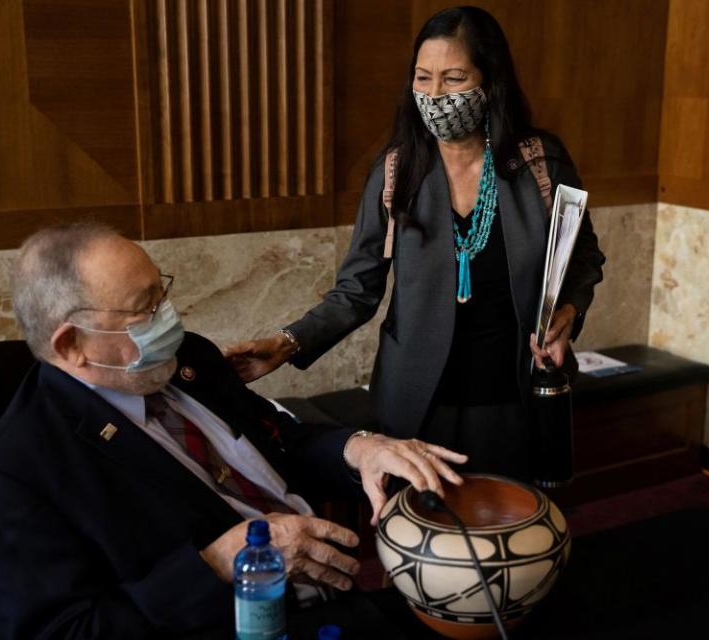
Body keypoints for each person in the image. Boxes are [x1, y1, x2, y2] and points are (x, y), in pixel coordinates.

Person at [0, 223, 466, 639]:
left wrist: (360, 448)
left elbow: (282, 443)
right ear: (71, 344)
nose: (171, 317)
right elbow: (68, 633)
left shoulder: (189, 360)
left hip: (337, 591)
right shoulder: (12, 477)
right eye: (145, 307)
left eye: (163, 292)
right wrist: (220, 564)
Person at [225, 6, 605, 481]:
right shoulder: (395, 171)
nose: (434, 94)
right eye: (423, 78)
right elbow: (356, 292)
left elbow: (583, 254)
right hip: (417, 405)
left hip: (513, 397)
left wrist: (569, 310)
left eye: (453, 77)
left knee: (502, 538)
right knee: (421, 540)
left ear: (490, 79)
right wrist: (286, 344)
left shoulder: (540, 164)